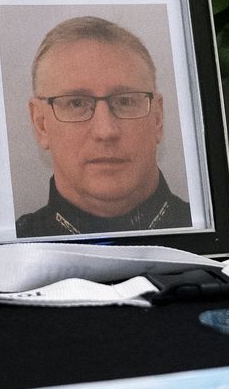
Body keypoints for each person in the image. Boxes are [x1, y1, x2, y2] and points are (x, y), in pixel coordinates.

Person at [13, 16, 191, 238]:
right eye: (76, 103)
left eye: (125, 101)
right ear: (40, 124)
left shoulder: (209, 230)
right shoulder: (10, 250)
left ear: (158, 118)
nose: (105, 131)